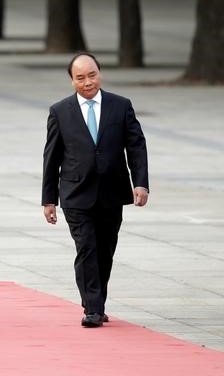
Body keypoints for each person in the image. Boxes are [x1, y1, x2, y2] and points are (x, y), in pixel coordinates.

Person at [42, 53, 149, 328]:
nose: (88, 82)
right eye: (80, 78)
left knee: (105, 251)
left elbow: (136, 146)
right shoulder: (60, 111)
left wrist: (140, 182)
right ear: (71, 80)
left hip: (112, 191)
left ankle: (97, 301)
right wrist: (48, 200)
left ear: (99, 73)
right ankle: (92, 308)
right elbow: (51, 157)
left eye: (92, 75)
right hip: (76, 193)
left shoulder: (120, 106)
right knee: (86, 248)